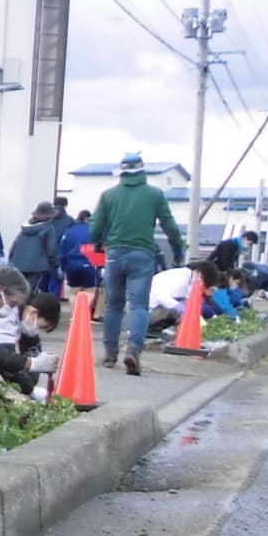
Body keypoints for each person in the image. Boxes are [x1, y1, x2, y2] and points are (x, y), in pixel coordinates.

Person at [90, 151, 186, 375]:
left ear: (121, 172)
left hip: (114, 254)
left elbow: (94, 227)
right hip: (142, 254)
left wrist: (98, 243)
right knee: (139, 305)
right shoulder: (155, 195)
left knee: (114, 304)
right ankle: (133, 349)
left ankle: (110, 354)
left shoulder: (108, 195)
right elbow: (169, 224)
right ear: (142, 171)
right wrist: (178, 250)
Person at [7, 202, 63, 297]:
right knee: (30, 293)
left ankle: (16, 310)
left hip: (18, 264)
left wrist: (10, 260)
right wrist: (57, 265)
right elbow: (51, 251)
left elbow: (15, 244)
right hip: (37, 267)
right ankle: (24, 310)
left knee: (16, 291)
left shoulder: (25, 228)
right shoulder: (49, 228)